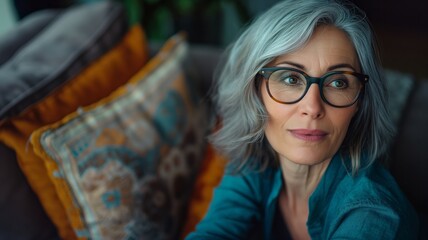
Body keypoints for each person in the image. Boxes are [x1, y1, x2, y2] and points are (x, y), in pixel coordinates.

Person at [186, 0, 420, 239]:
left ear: (359, 102)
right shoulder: (255, 162)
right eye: (290, 79)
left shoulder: (373, 215)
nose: (312, 107)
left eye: (338, 82)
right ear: (255, 91)